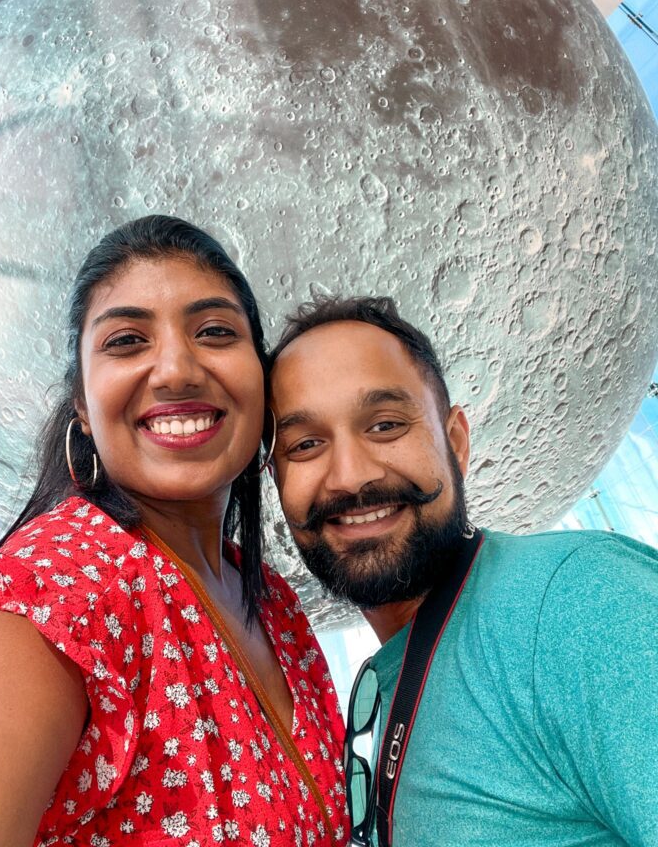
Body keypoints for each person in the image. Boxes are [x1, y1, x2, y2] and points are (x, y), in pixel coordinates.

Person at [0, 216, 347, 847]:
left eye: (215, 332)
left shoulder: (276, 608)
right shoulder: (47, 601)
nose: (176, 370)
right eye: (127, 341)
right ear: (81, 403)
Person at [268, 294, 658, 847]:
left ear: (456, 441)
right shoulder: (384, 689)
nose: (349, 476)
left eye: (385, 424)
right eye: (305, 444)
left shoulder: (578, 602)